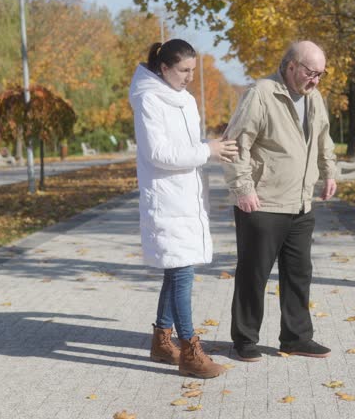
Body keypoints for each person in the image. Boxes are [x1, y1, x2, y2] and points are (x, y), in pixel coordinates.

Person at [128, 39, 238, 378]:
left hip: (187, 197)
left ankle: (162, 341)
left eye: (193, 70)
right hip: (166, 200)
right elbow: (158, 153)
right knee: (181, 273)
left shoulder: (186, 100)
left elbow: (187, 147)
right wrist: (208, 150)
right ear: (164, 68)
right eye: (184, 70)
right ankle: (190, 350)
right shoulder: (149, 99)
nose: (190, 76)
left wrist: (209, 149)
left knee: (176, 269)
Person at [222, 40, 337, 362]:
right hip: (262, 202)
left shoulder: (314, 98)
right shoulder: (261, 93)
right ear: (291, 66)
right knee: (253, 274)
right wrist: (243, 189)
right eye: (310, 72)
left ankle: (297, 338)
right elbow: (234, 144)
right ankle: (244, 340)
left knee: (299, 274)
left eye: (320, 74)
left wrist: (329, 172)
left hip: (301, 203)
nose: (315, 80)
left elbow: (323, 139)